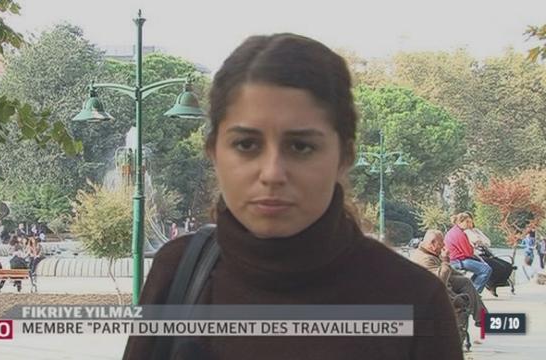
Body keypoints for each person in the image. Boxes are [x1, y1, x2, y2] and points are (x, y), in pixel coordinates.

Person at [123, 33, 462, 359]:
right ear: (213, 153)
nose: (272, 173)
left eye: (301, 146)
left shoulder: (414, 300)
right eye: (246, 144)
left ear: (344, 157)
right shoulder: (178, 270)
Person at [411, 230, 486, 327]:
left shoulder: (430, 252)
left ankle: (482, 318)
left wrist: (459, 274)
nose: (443, 245)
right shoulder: (424, 259)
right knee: (462, 302)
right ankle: (459, 332)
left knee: (465, 282)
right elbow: (440, 280)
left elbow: (450, 272)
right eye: (441, 243)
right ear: (432, 244)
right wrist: (445, 261)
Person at [445, 212, 492, 294]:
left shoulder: (454, 231)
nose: (469, 224)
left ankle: (470, 289)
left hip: (454, 259)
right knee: (486, 269)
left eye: (470, 222)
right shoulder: (459, 234)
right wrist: (473, 247)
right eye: (467, 222)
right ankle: (473, 293)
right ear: (460, 222)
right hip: (458, 261)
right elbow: (468, 253)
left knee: (482, 267)